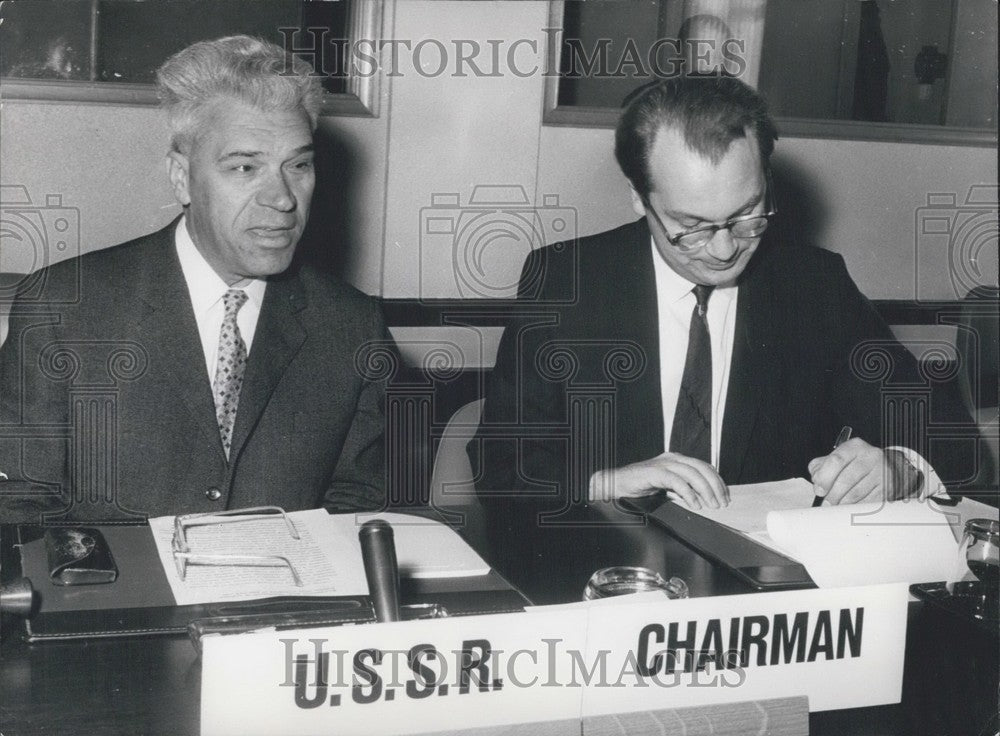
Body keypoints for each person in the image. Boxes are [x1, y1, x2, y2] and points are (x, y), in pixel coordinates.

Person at [473, 75, 974, 511]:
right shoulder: (566, 281)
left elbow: (953, 437)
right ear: (638, 197)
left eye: (747, 214)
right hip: (608, 569)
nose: (724, 248)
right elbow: (498, 463)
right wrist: (607, 483)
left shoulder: (815, 286)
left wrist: (901, 468)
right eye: (690, 225)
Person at [0, 36, 390, 521]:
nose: (284, 198)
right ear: (181, 177)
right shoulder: (64, 308)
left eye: (299, 165)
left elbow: (362, 512)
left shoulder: (353, 325)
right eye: (246, 167)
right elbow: (20, 507)